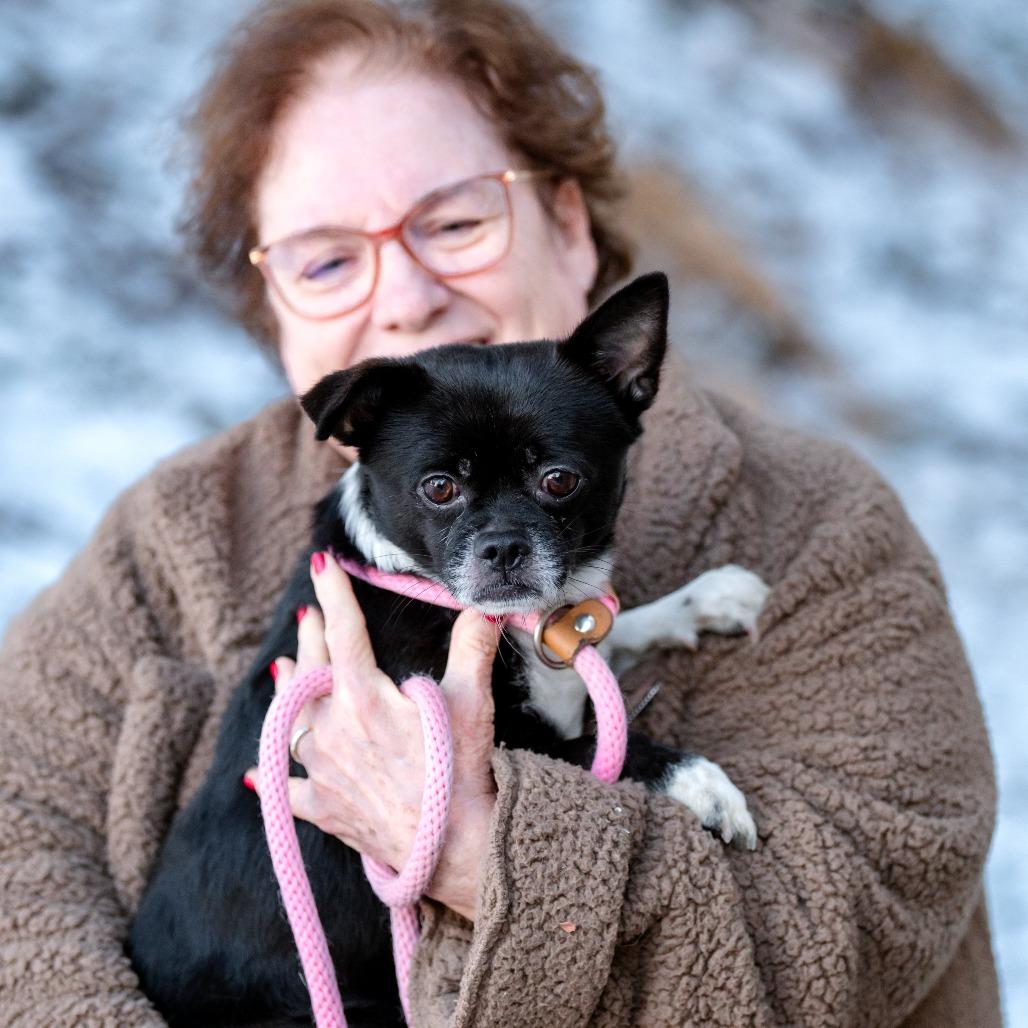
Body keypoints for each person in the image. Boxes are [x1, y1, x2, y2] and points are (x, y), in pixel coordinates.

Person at [0, 0, 1001, 1025]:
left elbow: (853, 927)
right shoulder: (168, 533)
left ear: (569, 228)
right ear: (272, 303)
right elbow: (14, 854)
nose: (406, 293)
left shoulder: (817, 527)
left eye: (454, 220)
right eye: (328, 257)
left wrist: (484, 854)